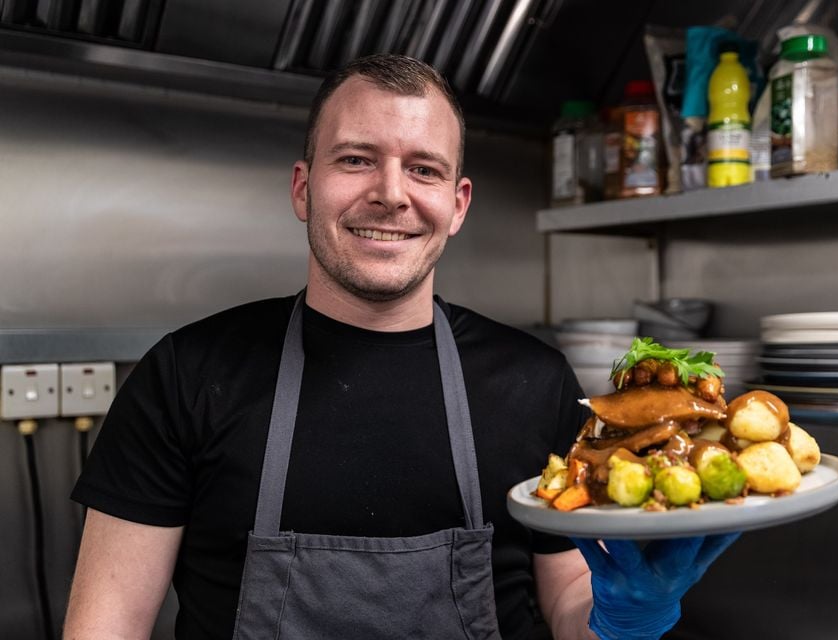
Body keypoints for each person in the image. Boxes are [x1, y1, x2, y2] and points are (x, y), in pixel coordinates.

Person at [63, 53, 737, 640]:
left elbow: (568, 602)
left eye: (424, 169)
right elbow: (105, 627)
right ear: (304, 187)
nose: (391, 195)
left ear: (458, 203)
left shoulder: (534, 381)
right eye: (356, 160)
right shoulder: (186, 376)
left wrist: (621, 621)